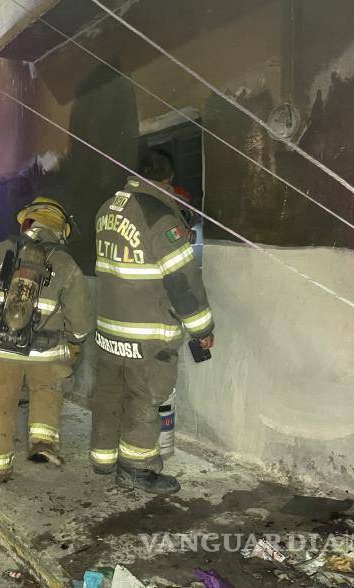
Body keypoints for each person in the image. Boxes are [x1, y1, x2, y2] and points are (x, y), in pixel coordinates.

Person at [91, 149, 215, 495]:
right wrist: (202, 329)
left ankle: (103, 459)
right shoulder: (160, 217)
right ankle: (137, 468)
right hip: (147, 334)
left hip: (109, 331)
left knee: (109, 396)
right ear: (167, 179)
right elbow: (183, 282)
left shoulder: (106, 210)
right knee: (145, 399)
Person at [0, 197, 93, 484]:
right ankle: (43, 439)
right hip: (45, 353)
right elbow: (81, 319)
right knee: (47, 388)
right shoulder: (65, 262)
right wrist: (73, 341)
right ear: (60, 230)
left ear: (26, 223)